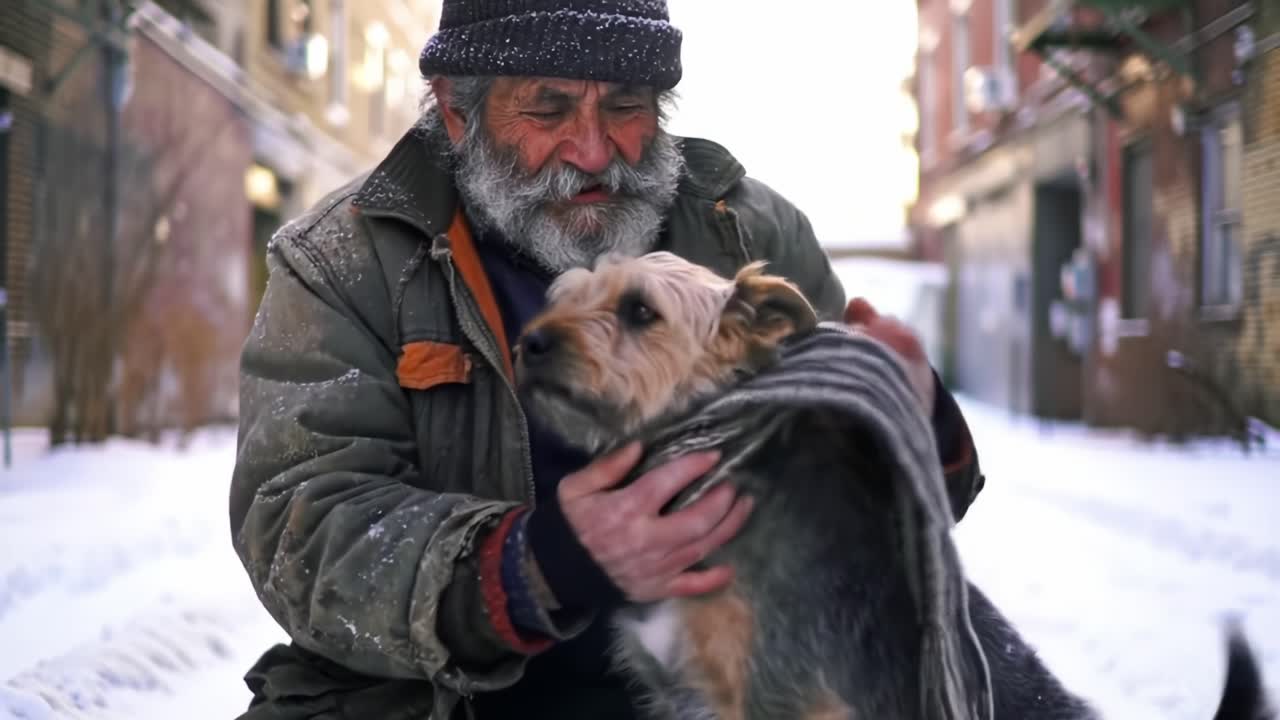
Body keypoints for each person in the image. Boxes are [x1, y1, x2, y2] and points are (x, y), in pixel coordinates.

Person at [229, 1, 986, 717]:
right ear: (457, 111)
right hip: (449, 704)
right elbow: (302, 529)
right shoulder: (345, 261)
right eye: (548, 108)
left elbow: (884, 524)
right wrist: (538, 564)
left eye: (625, 105)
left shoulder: (750, 237)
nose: (593, 151)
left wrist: (914, 423)